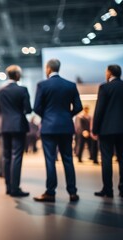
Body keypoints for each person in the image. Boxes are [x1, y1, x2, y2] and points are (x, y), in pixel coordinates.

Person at [33, 59, 82, 202]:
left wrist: (47, 117)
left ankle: (50, 192)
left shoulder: (42, 85)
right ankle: (72, 192)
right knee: (68, 159)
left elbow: (36, 107)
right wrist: (68, 116)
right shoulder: (70, 85)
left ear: (48, 69)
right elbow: (78, 107)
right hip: (66, 127)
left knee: (50, 160)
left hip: (48, 128)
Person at [92, 64, 123, 198]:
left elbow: (99, 110)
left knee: (106, 159)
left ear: (109, 73)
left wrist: (95, 129)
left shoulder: (104, 87)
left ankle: (108, 190)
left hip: (107, 129)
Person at [0, 65, 32, 197]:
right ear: (17, 75)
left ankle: (8, 187)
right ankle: (15, 188)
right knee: (16, 156)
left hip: (5, 126)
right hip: (18, 126)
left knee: (6, 157)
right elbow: (28, 109)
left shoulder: (0, 90)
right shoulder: (22, 90)